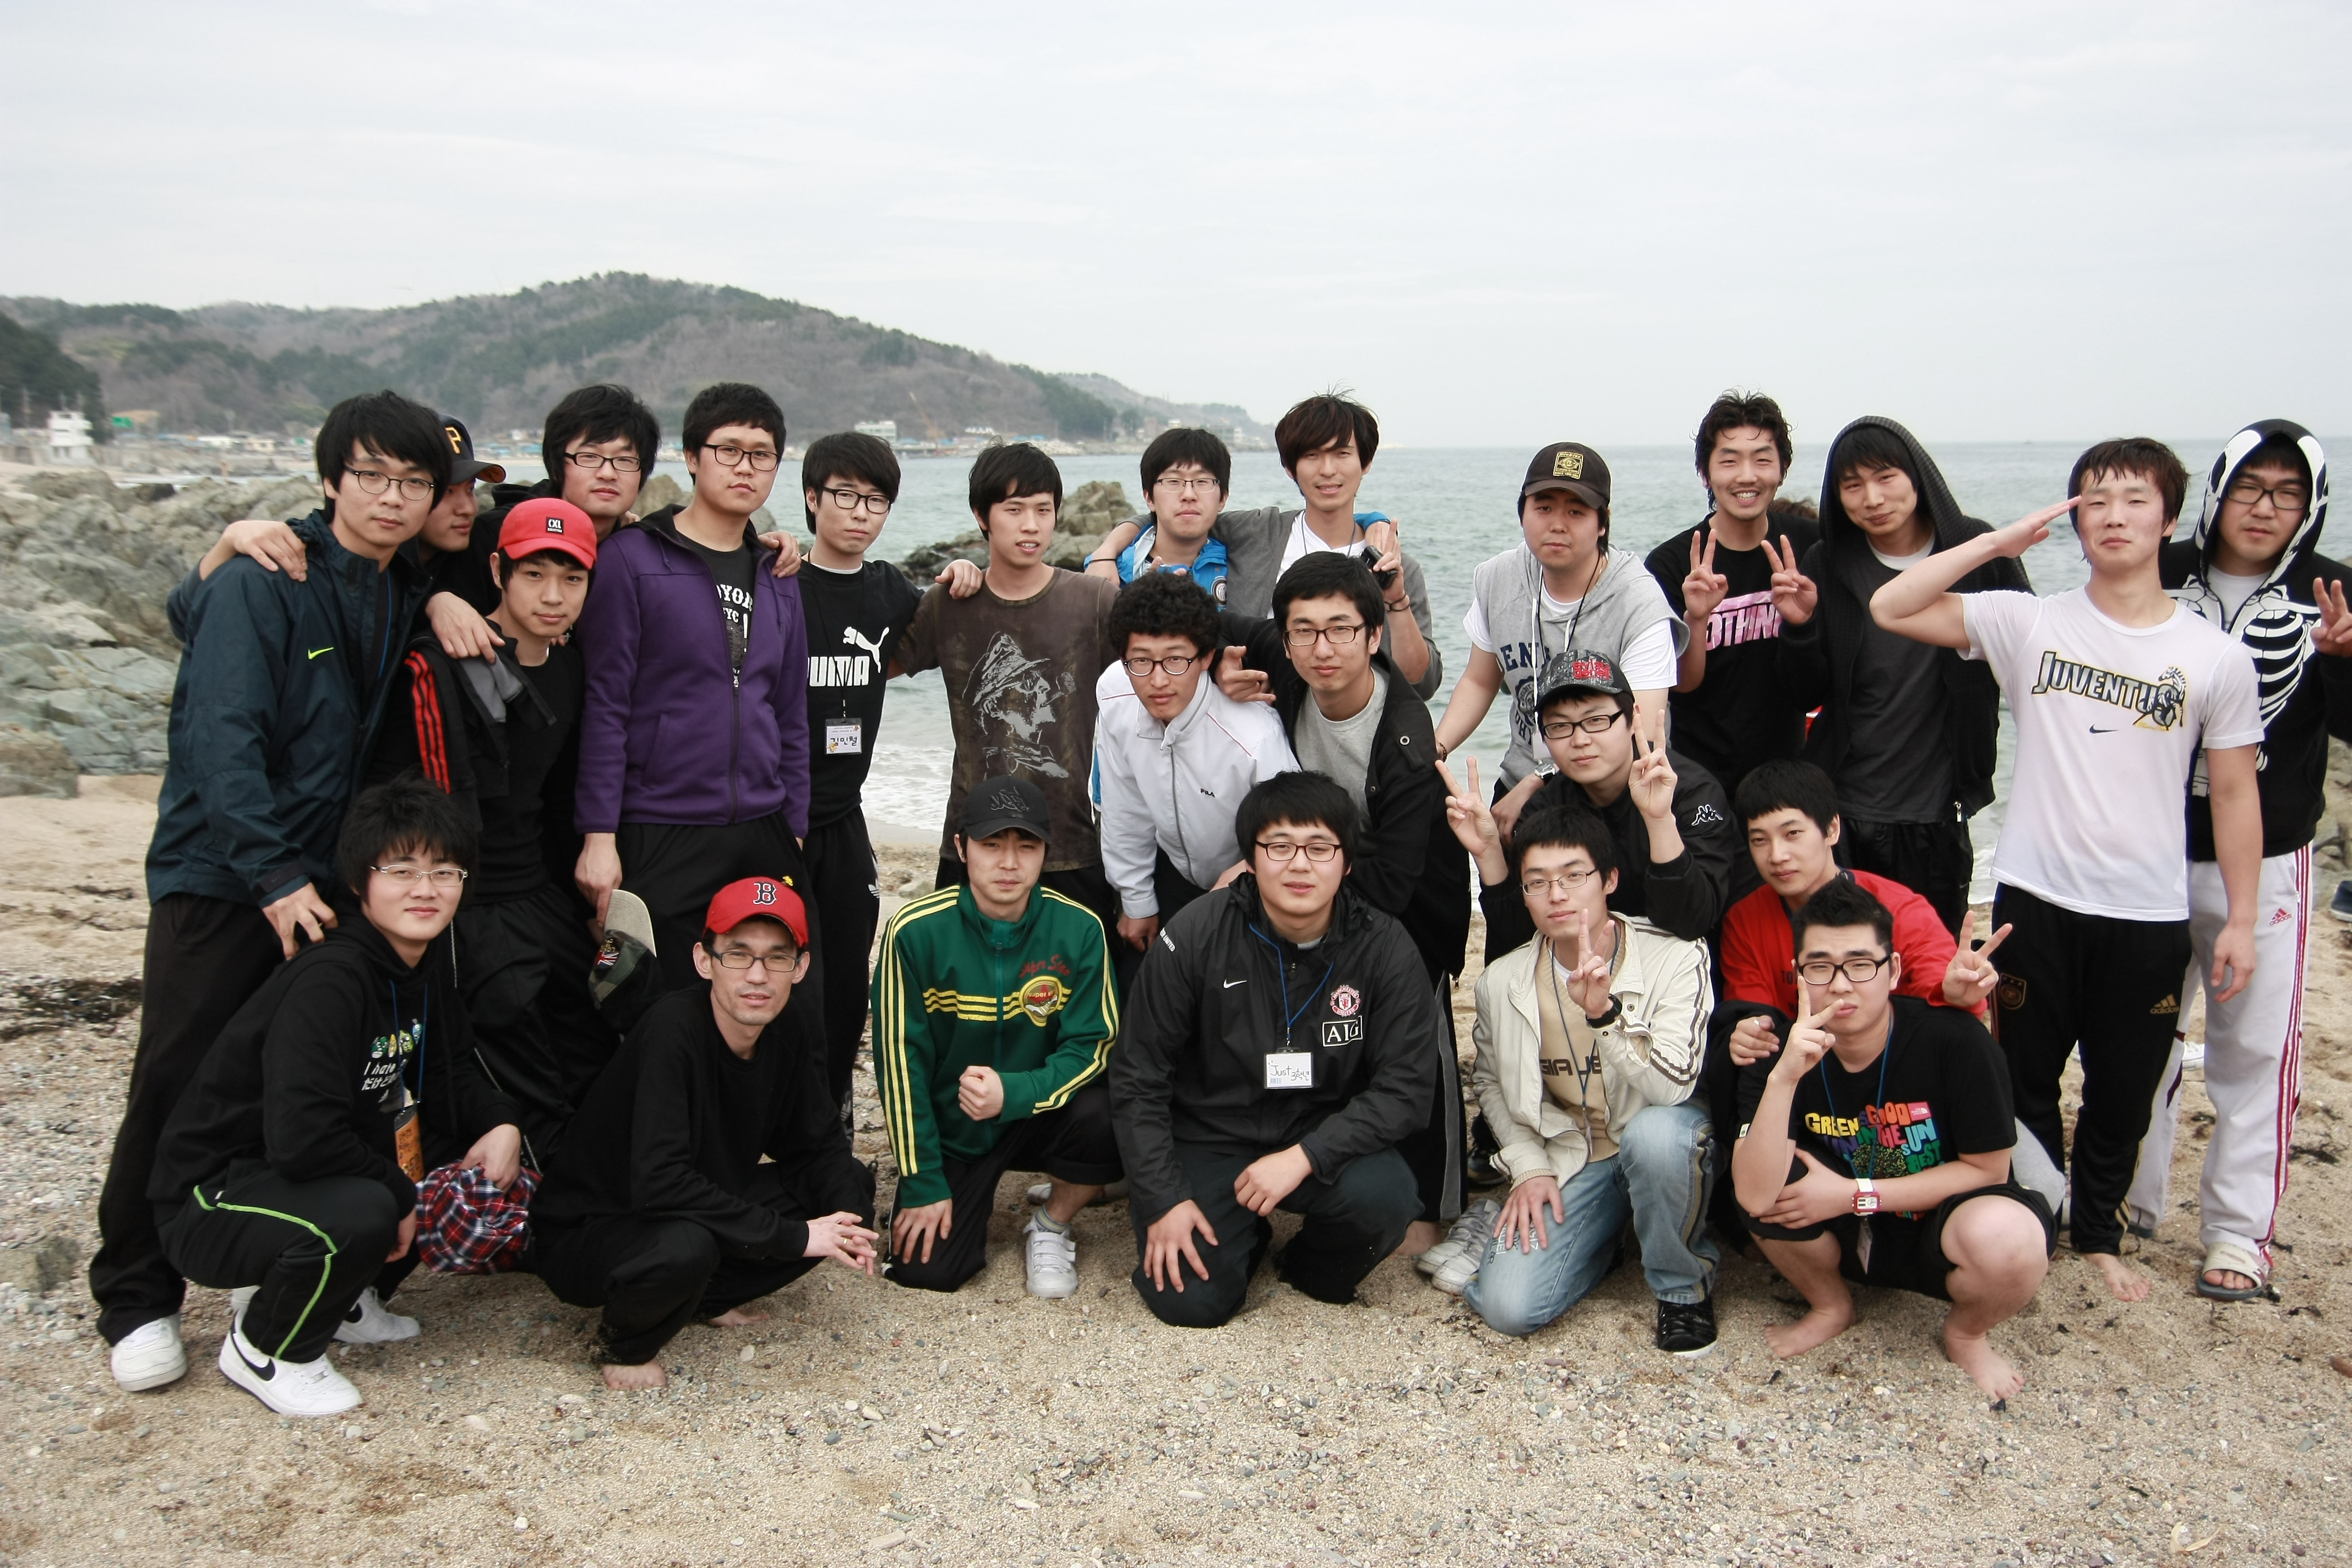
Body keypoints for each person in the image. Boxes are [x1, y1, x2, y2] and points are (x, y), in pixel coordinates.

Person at [94, 390, 449, 1396]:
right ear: (330, 478)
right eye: (372, 475)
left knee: (303, 1080)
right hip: (224, 877)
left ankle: (281, 1270)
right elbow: (223, 738)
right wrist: (275, 875)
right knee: (178, 1077)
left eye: (413, 482)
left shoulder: (398, 583)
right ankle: (136, 1294)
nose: (392, 496)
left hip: (319, 882)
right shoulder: (265, 576)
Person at [1870, 437, 2265, 1302]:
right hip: (2035, 897)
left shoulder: (2215, 657)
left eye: (2134, 500)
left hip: (2148, 909)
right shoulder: (2030, 622)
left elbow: (2235, 793)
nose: (2114, 517)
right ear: (2075, 520)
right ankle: (2039, 1215)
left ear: (2169, 518)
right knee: (2026, 1079)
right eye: (2095, 501)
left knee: (2126, 1088)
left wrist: (2240, 919)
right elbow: (1893, 605)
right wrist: (1994, 543)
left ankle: (2100, 1235)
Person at [146, 779, 525, 1416]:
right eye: (401, 870)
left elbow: (451, 1070)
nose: (426, 888)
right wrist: (399, 1194)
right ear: (358, 881)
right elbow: (301, 1138)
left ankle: (345, 1300)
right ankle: (267, 1347)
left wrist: (501, 1123)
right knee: (368, 1206)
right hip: (213, 1198)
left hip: (295, 1174)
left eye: (444, 871)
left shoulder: (421, 965)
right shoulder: (332, 978)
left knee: (447, 1162)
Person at [2128, 423, 2352, 1298]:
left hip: (2264, 857)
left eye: (2288, 494)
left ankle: (2237, 1233)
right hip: (2143, 849)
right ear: (2218, 490)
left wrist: (2343, 663)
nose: (2265, 508)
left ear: (2312, 507)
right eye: (2251, 487)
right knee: (2138, 1035)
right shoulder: (2159, 568)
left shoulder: (2331, 592)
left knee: (2254, 1050)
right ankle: (2127, 1200)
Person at [1112, 772, 1436, 1327]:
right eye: (1279, 846)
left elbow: (1405, 1090)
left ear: (1347, 862)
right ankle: (1240, 1232)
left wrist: (1306, 1155)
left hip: (1317, 1131)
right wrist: (1163, 1199)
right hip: (1210, 1135)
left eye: (1320, 847)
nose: (1300, 865)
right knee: (1190, 1302)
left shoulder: (1384, 947)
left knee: (1386, 1199)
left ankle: (1303, 1264)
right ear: (1251, 858)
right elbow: (1138, 1075)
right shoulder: (1195, 934)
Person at [530, 877, 878, 1389]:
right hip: (593, 1229)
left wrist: (849, 1222)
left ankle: (700, 1298)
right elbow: (660, 1183)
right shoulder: (673, 1030)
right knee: (687, 1246)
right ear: (704, 960)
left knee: (849, 1187)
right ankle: (625, 1344)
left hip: (691, 1206)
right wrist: (797, 1236)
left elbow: (817, 1143)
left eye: (777, 958)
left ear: (800, 967)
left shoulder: (786, 1026)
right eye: (738, 955)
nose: (757, 976)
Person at [1220, 552, 1472, 1246]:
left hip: (1417, 899)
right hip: (1333, 876)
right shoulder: (1288, 660)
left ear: (1373, 635)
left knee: (1417, 1043)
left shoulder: (1405, 736)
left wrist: (1268, 878)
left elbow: (1393, 880)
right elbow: (1210, 624)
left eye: (1341, 630)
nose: (1322, 648)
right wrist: (1217, 669)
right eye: (1304, 632)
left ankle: (1433, 1206)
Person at [1732, 879, 2055, 1400]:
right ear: (1798, 974)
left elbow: (1989, 1171)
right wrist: (1784, 1079)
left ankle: (1967, 1333)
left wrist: (1855, 1194)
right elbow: (1752, 1194)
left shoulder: (1955, 1042)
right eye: (1820, 967)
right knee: (1765, 1172)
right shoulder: (1778, 1052)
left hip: (1941, 1228)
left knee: (2011, 1240)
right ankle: (1831, 1305)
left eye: (1861, 965)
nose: (1841, 986)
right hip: (1838, 1234)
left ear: (1895, 970)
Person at [364, 498, 612, 1164]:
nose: (554, 596)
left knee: (599, 1026)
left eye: (572, 578)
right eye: (535, 575)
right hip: (467, 902)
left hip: (540, 893)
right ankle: (543, 1180)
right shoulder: (442, 664)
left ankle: (595, 1171)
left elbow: (561, 799)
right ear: (498, 571)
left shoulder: (571, 667)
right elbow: (404, 806)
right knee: (515, 1049)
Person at [572, 382, 823, 1009]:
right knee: (659, 1005)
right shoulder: (632, 560)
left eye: (761, 455)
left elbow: (790, 712)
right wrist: (599, 835)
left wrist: (793, 824)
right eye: (728, 450)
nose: (745, 467)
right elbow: (606, 705)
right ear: (691, 457)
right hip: (663, 822)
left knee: (778, 1002)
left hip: (762, 824)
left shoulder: (778, 574)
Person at [1451, 809, 1720, 1353]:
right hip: (1573, 1152)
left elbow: (1674, 1086)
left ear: (1610, 879)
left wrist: (1606, 1017)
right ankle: (1600, 1242)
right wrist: (1527, 1167)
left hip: (1655, 1134)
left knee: (1657, 1137)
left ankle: (1682, 1290)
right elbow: (1492, 1085)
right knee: (1507, 1307)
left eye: (1574, 876)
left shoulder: (1675, 955)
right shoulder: (1502, 980)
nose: (1557, 895)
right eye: (1538, 882)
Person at [870, 777, 1120, 1298]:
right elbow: (900, 1064)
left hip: (1040, 1114)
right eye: (991, 845)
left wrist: (1017, 1092)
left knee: (1110, 1112)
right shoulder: (914, 931)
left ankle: (1051, 1223)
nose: (1009, 863)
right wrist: (922, 1179)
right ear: (962, 849)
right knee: (929, 1273)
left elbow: (1093, 1045)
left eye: (1026, 846)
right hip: (956, 1125)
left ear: (1046, 853)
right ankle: (951, 1188)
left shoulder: (1080, 928)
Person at [1776, 417, 2027, 933]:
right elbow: (1805, 694)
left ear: (1918, 476)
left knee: (1929, 958)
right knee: (1846, 956)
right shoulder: (1830, 562)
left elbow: (2031, 659)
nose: (1872, 498)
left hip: (1937, 811)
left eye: (1885, 477)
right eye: (1852, 485)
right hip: (1844, 810)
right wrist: (1799, 627)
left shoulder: (1976, 552)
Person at [893, 442, 1125, 939]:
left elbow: (1158, 672)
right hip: (973, 842)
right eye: (1014, 510)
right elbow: (867, 667)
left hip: (1069, 842)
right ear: (982, 516)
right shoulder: (948, 605)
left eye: (1044, 510)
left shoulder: (1093, 601)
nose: (1031, 526)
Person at [1088, 393, 1443, 698]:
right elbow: (1177, 515)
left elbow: (1423, 684)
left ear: (1365, 463)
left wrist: (1393, 590)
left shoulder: (1393, 566)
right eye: (1312, 456)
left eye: (1342, 454)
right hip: (1259, 728)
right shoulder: (1259, 532)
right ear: (1290, 468)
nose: (1328, 470)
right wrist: (1106, 553)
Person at [791, 431, 922, 1120]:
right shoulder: (778, 583)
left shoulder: (890, 590)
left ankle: (833, 1107)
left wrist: (965, 574)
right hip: (777, 815)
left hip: (846, 813)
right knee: (775, 964)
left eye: (876, 500)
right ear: (813, 499)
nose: (860, 512)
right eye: (845, 495)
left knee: (846, 972)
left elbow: (935, 633)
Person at [1453, 650, 1733, 962]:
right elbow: (1517, 941)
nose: (1580, 740)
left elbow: (1693, 922)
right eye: (1560, 726)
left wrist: (1659, 821)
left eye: (1596, 721)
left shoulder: (1689, 792)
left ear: (1633, 719)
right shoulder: (1546, 807)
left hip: (1682, 964)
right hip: (1585, 965)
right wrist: (1489, 852)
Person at [1435, 440, 1681, 780]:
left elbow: (1641, 735)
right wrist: (1436, 751)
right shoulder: (1500, 578)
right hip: (1521, 774)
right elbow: (1479, 681)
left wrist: (1539, 785)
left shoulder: (1638, 602)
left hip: (1612, 786)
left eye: (1576, 512)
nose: (1558, 525)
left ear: (1603, 523)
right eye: (1544, 508)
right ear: (1522, 513)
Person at [1096, 572, 1297, 954]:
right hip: (1172, 872)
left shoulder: (1255, 736)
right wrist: (1137, 900)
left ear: (1206, 657)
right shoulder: (1114, 694)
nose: (1158, 681)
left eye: (1175, 660)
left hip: (1250, 883)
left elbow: (1290, 835)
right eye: (1141, 660)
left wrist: (1235, 888)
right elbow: (1124, 803)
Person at [1645, 391, 1822, 798]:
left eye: (1762, 460)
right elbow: (1680, 687)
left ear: (1783, 469)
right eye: (1729, 461)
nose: (1747, 476)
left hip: (1790, 776)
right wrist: (1697, 619)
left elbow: (1816, 687)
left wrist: (1801, 624)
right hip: (1702, 781)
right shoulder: (1671, 564)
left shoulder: (1811, 547)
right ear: (1705, 474)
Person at [1109, 426, 1234, 601]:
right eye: (1174, 481)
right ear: (1149, 498)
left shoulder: (1239, 567)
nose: (1189, 495)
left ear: (1223, 498)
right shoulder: (1115, 575)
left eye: (1202, 481)